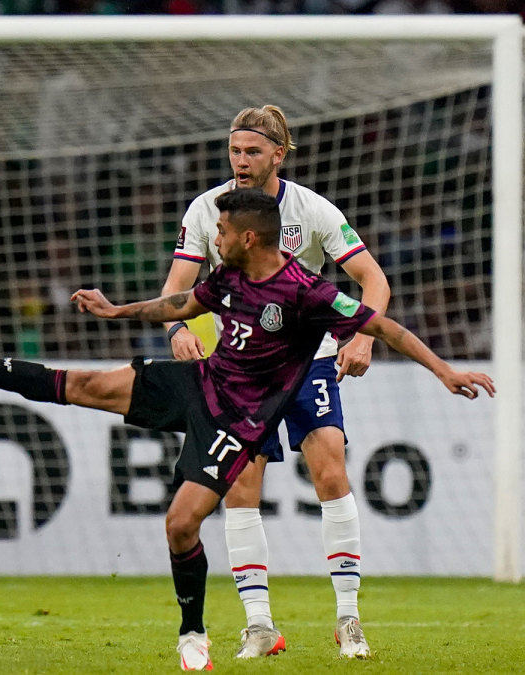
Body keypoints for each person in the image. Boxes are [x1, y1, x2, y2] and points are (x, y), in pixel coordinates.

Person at [0, 188, 493, 672]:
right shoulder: (229, 279)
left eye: (223, 231)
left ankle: (195, 630)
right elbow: (177, 307)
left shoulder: (307, 293)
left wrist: (444, 372)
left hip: (236, 421)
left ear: (249, 237)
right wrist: (115, 311)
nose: (216, 238)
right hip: (196, 382)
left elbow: (384, 328)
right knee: (79, 384)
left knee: (181, 523)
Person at [161, 105, 391, 659]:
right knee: (241, 486)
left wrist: (363, 336)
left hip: (309, 357)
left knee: (330, 466)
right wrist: (175, 329)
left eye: (253, 152)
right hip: (240, 369)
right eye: (235, 151)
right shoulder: (206, 210)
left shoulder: (311, 210)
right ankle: (260, 626)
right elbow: (176, 289)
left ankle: (349, 620)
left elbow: (372, 279)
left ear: (278, 155)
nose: (241, 162)